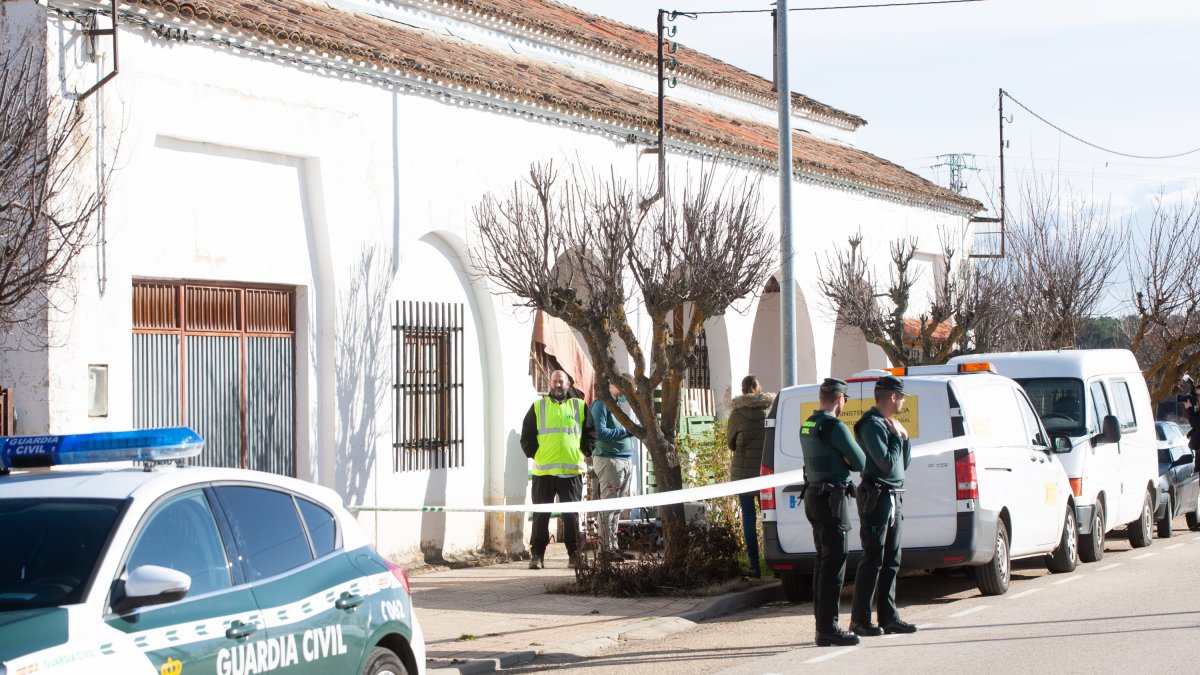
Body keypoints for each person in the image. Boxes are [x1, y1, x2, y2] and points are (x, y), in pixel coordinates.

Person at [849, 375, 918, 637]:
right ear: (891, 397)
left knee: (892, 559)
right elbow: (886, 464)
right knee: (874, 558)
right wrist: (897, 438)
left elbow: (902, 465)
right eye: (900, 397)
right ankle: (860, 620)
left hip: (893, 494)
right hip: (877, 496)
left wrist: (905, 438)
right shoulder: (872, 425)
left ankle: (889, 617)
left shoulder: (890, 426)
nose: (902, 402)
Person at [800, 377, 867, 647]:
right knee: (834, 564)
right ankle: (829, 627)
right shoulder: (834, 426)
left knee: (823, 562)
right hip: (831, 500)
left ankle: (823, 626)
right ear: (840, 399)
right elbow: (860, 461)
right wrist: (845, 459)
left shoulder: (809, 424)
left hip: (814, 495)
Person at [520, 369, 596, 570]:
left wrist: (585, 450)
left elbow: (590, 433)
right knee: (540, 516)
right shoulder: (538, 406)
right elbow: (526, 436)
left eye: (561, 382)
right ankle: (537, 555)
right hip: (544, 472)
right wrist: (535, 454)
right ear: (550, 384)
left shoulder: (579, 406)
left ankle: (574, 555)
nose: (558, 385)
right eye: (554, 382)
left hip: (571, 472)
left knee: (571, 516)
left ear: (568, 384)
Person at [727, 374, 775, 577]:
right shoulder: (770, 409)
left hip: (744, 477)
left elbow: (730, 443)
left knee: (748, 518)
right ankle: (774, 564)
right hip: (767, 475)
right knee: (769, 519)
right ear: (759, 388)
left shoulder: (737, 414)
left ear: (742, 389)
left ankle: (754, 565)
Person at [590, 378, 635, 561]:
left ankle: (613, 546)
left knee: (616, 507)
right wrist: (626, 431)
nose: (627, 393)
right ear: (615, 385)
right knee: (608, 505)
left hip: (623, 459)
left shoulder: (615, 405)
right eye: (625, 388)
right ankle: (605, 549)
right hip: (609, 460)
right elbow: (599, 432)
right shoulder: (601, 404)